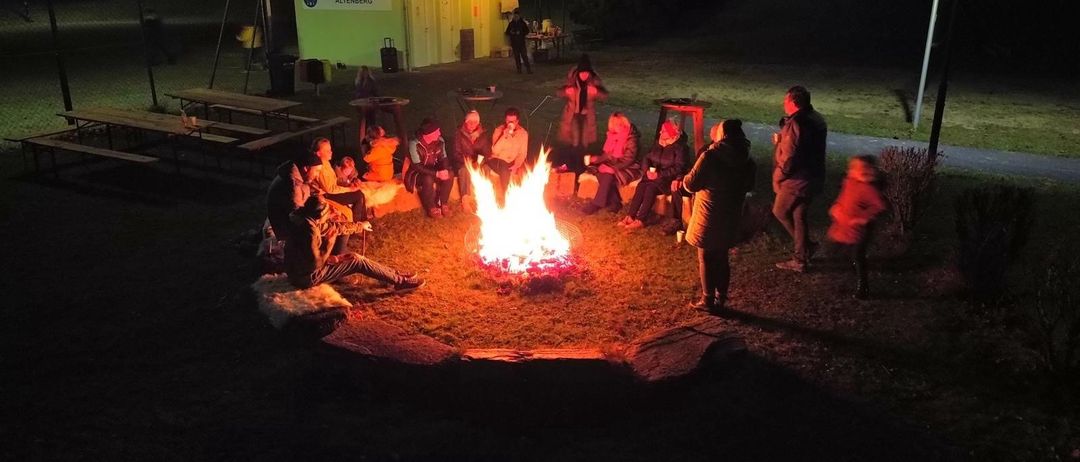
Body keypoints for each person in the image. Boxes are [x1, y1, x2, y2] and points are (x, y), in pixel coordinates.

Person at [683, 119, 756, 312]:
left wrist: (685, 178)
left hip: (709, 215)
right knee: (722, 257)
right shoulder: (747, 159)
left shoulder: (710, 156)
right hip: (730, 215)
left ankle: (707, 300)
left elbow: (691, 184)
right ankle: (721, 297)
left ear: (722, 134)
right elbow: (749, 185)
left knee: (706, 257)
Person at [285, 194, 424, 291]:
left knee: (352, 257)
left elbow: (334, 228)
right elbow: (315, 263)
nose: (328, 217)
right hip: (307, 277)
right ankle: (400, 282)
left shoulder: (305, 220)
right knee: (358, 261)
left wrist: (359, 226)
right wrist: (329, 243)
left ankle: (395, 275)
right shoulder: (309, 230)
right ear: (321, 214)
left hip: (299, 271)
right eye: (327, 214)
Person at [772, 85, 828, 273]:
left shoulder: (796, 124)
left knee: (780, 211)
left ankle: (804, 251)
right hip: (814, 175)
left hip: (797, 179)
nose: (783, 103)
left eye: (786, 100)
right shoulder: (816, 118)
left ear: (794, 102)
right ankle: (802, 255)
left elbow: (790, 159)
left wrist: (778, 177)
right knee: (798, 214)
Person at [827, 156, 887, 299]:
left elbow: (880, 207)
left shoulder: (868, 189)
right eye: (853, 168)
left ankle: (863, 287)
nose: (853, 170)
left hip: (860, 230)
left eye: (860, 168)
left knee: (858, 256)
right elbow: (843, 197)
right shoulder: (849, 182)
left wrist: (863, 218)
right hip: (845, 226)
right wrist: (837, 207)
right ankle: (847, 271)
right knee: (839, 249)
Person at [622, 120, 688, 229]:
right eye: (661, 130)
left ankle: (641, 219)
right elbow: (646, 157)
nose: (660, 133)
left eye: (664, 131)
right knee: (641, 186)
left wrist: (660, 174)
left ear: (672, 133)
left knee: (650, 188)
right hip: (652, 176)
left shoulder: (680, 148)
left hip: (666, 180)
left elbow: (679, 167)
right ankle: (630, 216)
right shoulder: (658, 143)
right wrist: (646, 170)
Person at [555, 54, 608, 172]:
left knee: (585, 142)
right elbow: (558, 92)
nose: (584, 76)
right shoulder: (572, 80)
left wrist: (596, 91)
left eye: (586, 73)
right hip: (572, 115)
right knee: (573, 141)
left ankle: (582, 166)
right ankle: (572, 165)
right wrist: (565, 91)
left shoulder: (594, 81)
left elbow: (605, 95)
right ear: (578, 72)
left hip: (587, 116)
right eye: (582, 73)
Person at [581, 112, 640, 215]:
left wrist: (613, 168)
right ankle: (615, 203)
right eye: (616, 124)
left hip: (629, 166)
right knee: (599, 170)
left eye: (621, 124)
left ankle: (597, 203)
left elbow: (629, 159)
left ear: (625, 123)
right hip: (615, 163)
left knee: (607, 174)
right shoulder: (613, 136)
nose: (619, 126)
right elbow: (608, 155)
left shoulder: (631, 138)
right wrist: (597, 159)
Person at [266, 151, 322, 243]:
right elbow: (297, 216)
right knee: (329, 226)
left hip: (288, 225)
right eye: (317, 171)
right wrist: (321, 214)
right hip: (284, 233)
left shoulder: (298, 178)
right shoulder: (293, 184)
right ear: (306, 168)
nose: (317, 175)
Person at [405, 118, 454, 218]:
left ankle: (443, 203)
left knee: (450, 174)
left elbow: (443, 158)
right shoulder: (415, 144)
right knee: (428, 178)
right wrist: (437, 173)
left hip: (434, 168)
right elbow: (416, 166)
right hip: (417, 172)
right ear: (429, 134)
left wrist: (444, 170)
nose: (439, 133)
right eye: (437, 131)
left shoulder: (440, 141)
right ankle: (431, 207)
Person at [451, 110, 491, 207]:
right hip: (463, 162)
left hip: (477, 162)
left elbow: (486, 152)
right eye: (470, 122)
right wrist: (469, 163)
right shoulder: (459, 133)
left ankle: (484, 195)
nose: (472, 124)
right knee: (464, 171)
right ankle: (465, 200)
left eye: (475, 122)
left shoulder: (483, 134)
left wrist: (478, 162)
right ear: (466, 122)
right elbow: (456, 153)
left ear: (478, 123)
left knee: (486, 168)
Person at [485, 107, 529, 195]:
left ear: (517, 121)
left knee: (526, 171)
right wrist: (504, 136)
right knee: (505, 169)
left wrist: (516, 165)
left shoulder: (523, 134)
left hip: (512, 161)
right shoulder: (499, 130)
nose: (510, 123)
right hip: (497, 160)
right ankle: (507, 195)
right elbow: (495, 151)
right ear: (505, 120)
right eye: (508, 121)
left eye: (513, 121)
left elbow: (522, 153)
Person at [505, 9, 532, 74]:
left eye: (517, 16)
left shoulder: (522, 23)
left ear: (519, 16)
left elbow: (527, 31)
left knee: (524, 56)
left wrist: (521, 33)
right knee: (517, 57)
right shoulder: (511, 24)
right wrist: (511, 32)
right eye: (515, 16)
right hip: (514, 43)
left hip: (521, 42)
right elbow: (507, 32)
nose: (516, 17)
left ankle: (528, 69)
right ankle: (519, 70)